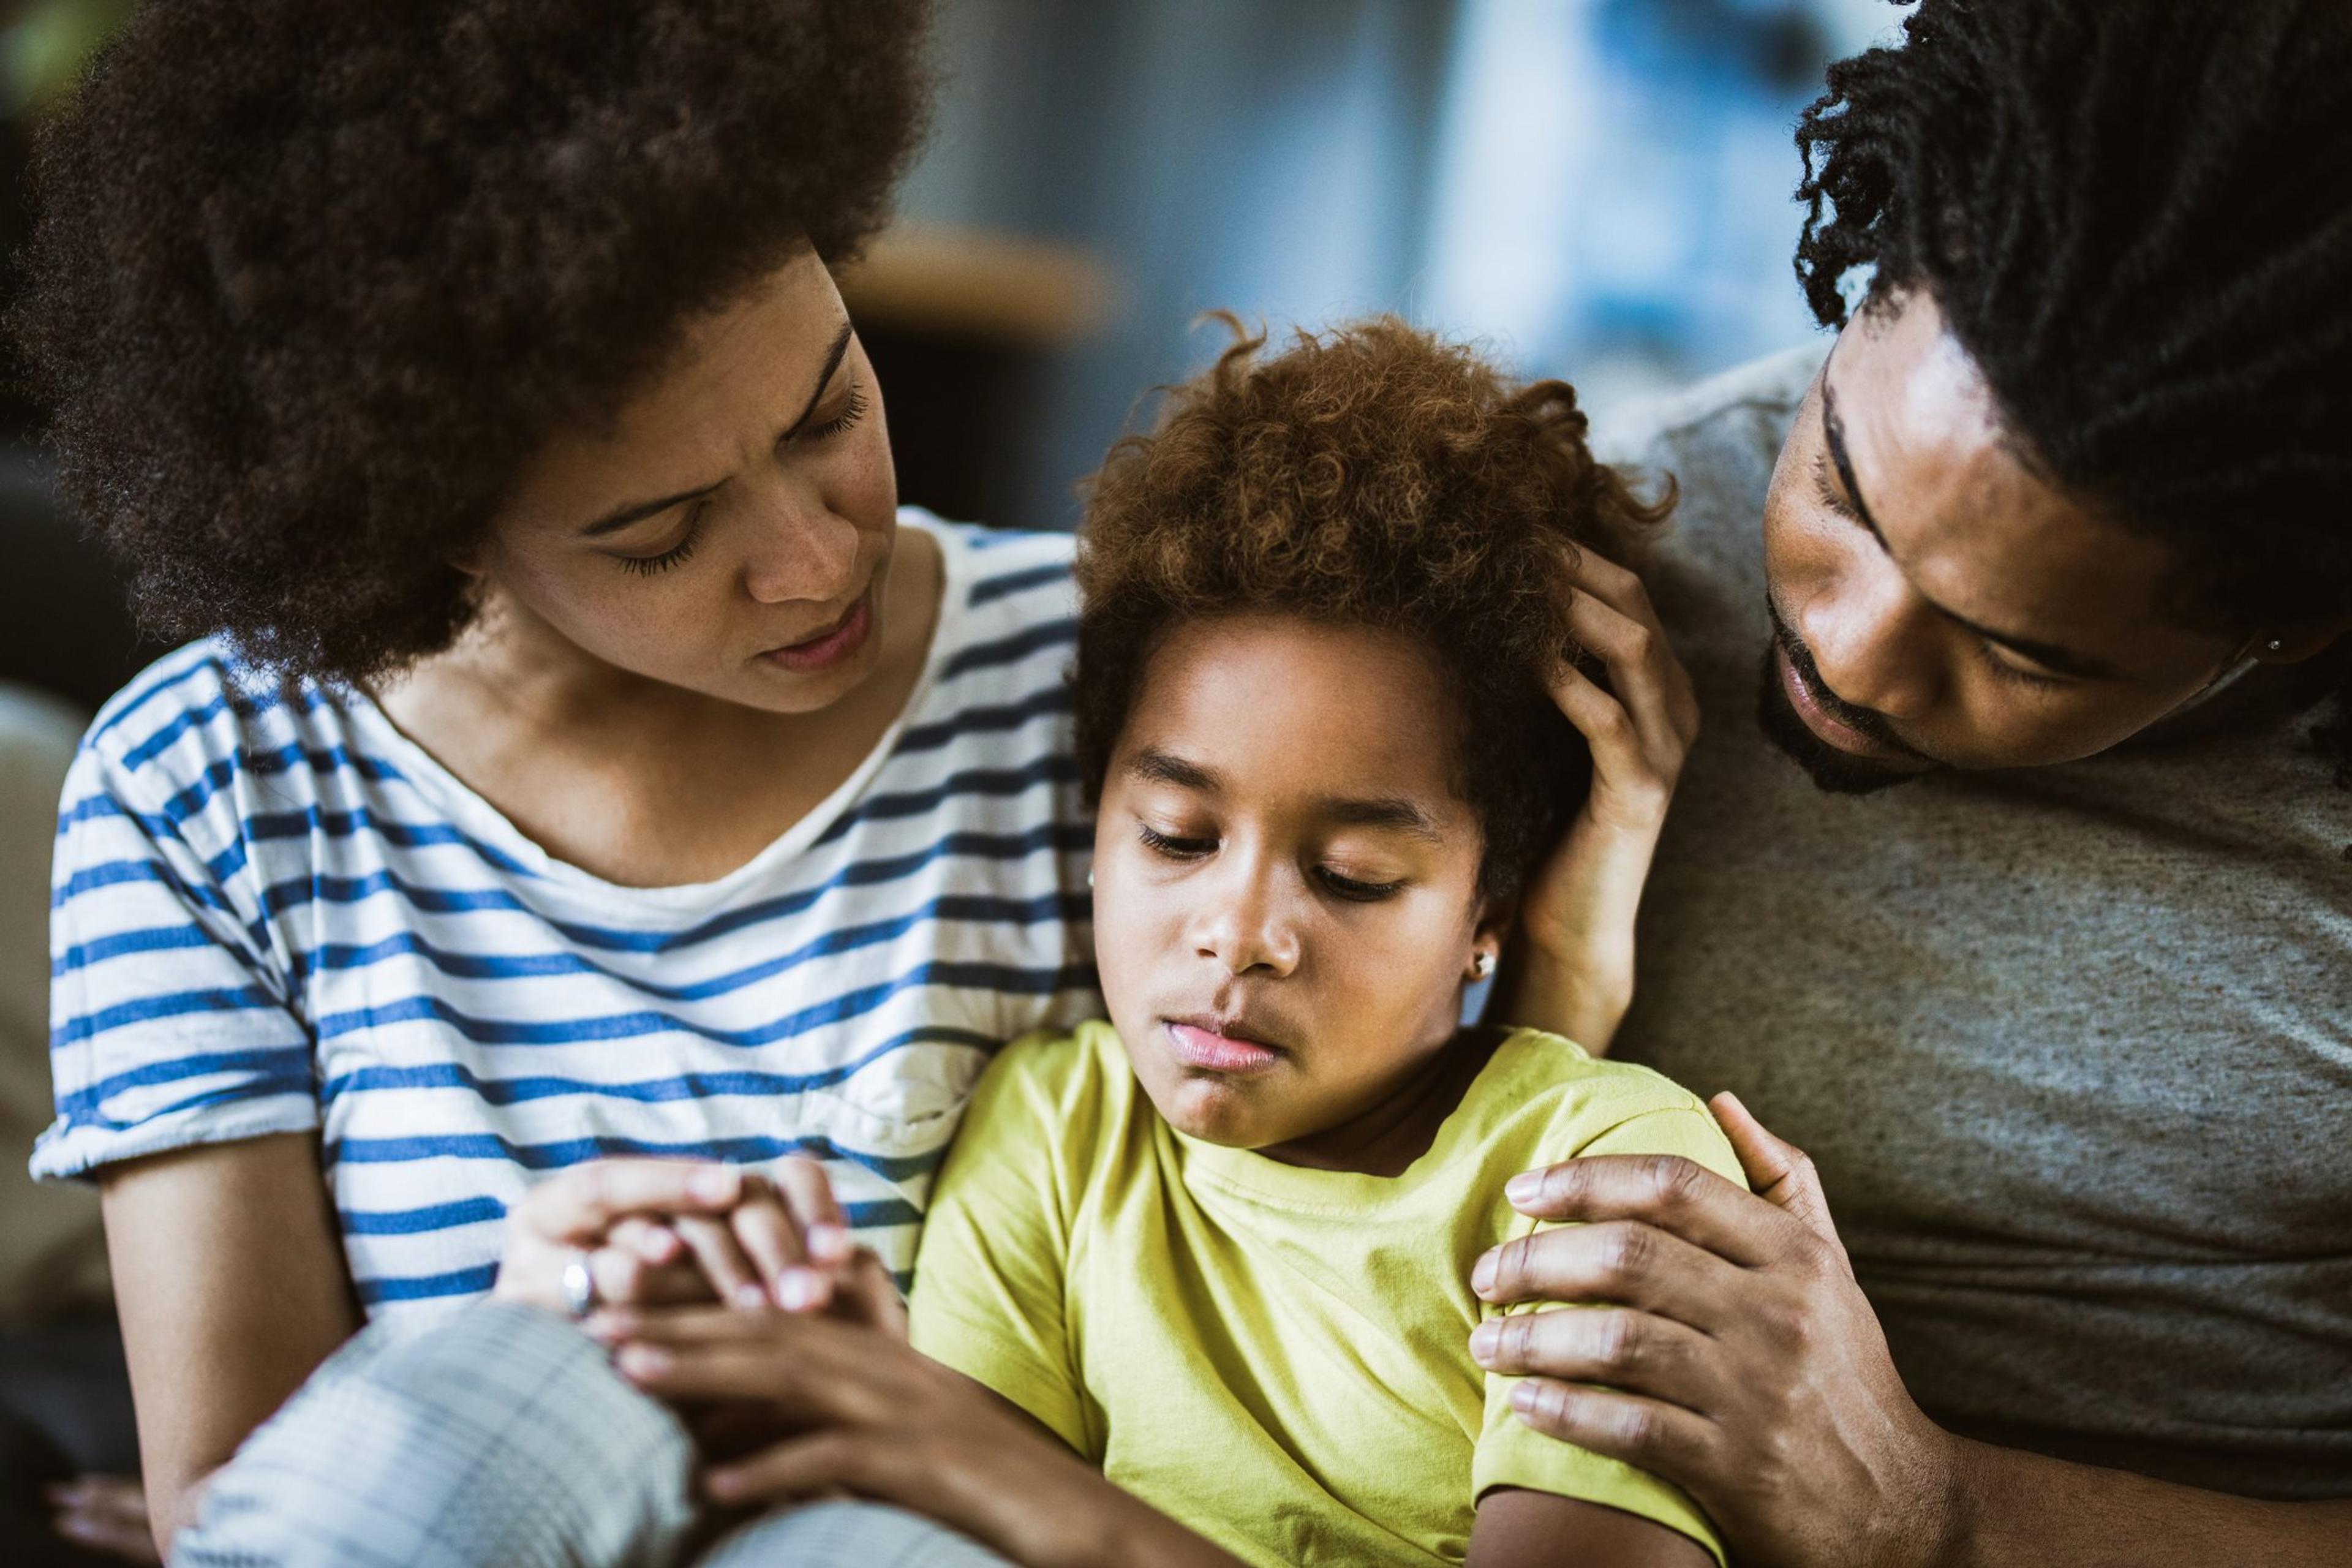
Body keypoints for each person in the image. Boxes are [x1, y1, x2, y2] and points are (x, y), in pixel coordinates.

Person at [13, 2, 1694, 1558]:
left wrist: (1557, 960)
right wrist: (524, 1329)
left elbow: (1333, 1126)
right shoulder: (202, 792)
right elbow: (246, 1499)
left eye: (829, 414)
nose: (819, 559)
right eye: (662, 535)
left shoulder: (1103, 684)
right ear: (413, 527)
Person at [1463, 4, 2352, 1565]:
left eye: (2025, 652)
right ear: (1863, 283)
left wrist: (1936, 1509)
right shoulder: (1603, 543)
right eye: (1838, 486)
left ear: (2291, 621)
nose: (1851, 651)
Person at [903, 319, 1725, 1566]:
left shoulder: (1599, 1162)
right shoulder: (1056, 1132)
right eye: (1177, 835)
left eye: (1351, 875)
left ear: (1487, 909)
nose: (1236, 935)